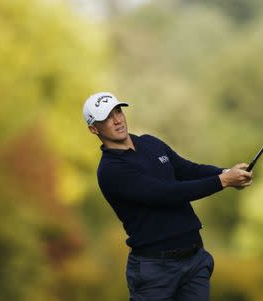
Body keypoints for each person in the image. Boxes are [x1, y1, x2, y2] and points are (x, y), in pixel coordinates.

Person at [83, 92, 253, 301]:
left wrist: (227, 172)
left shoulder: (150, 143)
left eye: (118, 111)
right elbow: (166, 194)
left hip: (194, 260)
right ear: (94, 129)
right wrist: (224, 181)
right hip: (154, 271)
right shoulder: (111, 171)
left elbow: (187, 170)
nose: (117, 120)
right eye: (107, 118)